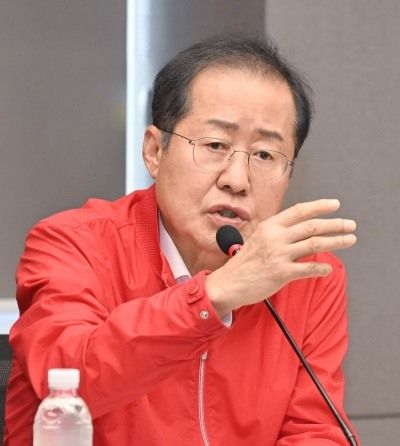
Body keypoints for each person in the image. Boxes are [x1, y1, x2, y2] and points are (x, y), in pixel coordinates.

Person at [4, 33, 358, 445]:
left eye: (264, 155)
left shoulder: (308, 275)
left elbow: (315, 431)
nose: (237, 180)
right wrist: (213, 296)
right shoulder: (73, 244)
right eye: (215, 145)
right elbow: (69, 386)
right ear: (155, 151)